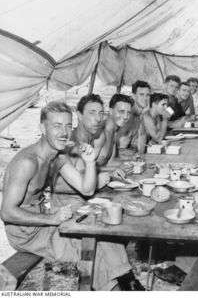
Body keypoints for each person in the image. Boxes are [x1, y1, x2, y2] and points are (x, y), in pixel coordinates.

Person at [0, 101, 143, 291]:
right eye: (56, 126)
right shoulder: (27, 162)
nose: (64, 132)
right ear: (42, 128)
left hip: (46, 221)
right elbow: (7, 213)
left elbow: (86, 189)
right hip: (27, 234)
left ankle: (129, 284)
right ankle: (119, 288)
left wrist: (90, 162)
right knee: (93, 252)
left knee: (104, 230)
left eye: (68, 125)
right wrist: (51, 219)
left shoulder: (58, 156)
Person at [116, 80, 151, 159]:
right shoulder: (126, 116)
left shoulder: (140, 116)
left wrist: (140, 154)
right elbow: (110, 148)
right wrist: (133, 155)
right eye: (141, 94)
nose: (145, 98)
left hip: (131, 156)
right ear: (133, 96)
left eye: (148, 95)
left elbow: (142, 136)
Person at [97, 94, 134, 166]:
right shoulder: (99, 132)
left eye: (128, 113)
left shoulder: (113, 132)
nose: (126, 117)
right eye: (121, 112)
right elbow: (87, 168)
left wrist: (132, 163)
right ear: (110, 111)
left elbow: (110, 163)